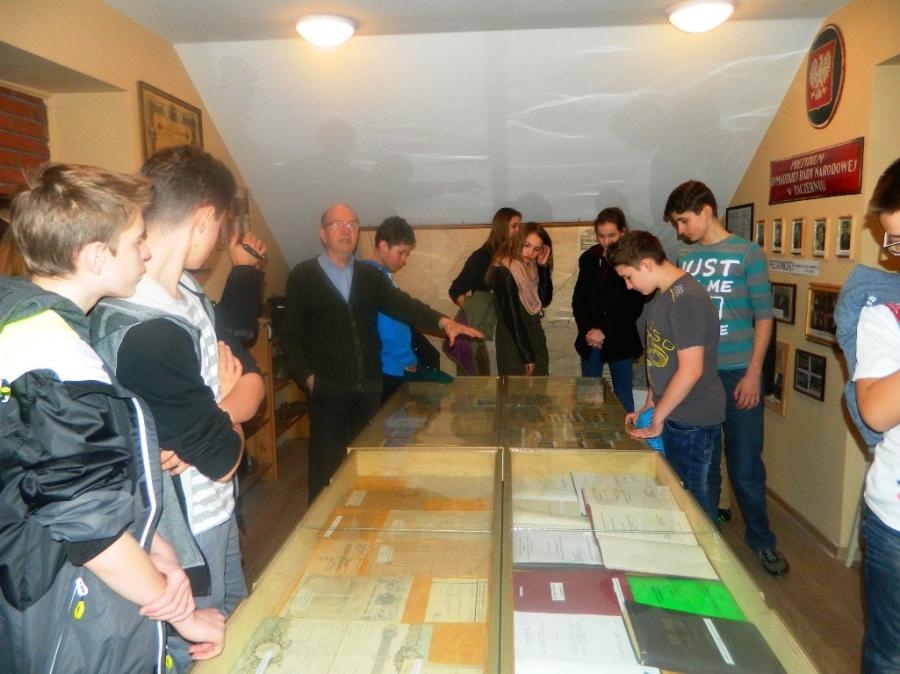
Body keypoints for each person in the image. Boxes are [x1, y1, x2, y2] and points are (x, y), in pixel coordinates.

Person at [0, 163, 224, 673]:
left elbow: (84, 479)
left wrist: (153, 545)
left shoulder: (32, 322)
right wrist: (186, 618)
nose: (146, 251)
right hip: (62, 605)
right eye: (137, 240)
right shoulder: (54, 358)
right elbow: (89, 528)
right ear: (96, 256)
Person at [91, 146, 263, 673]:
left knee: (238, 631)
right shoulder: (142, 327)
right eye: (219, 225)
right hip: (180, 536)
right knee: (197, 654)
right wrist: (221, 416)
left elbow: (253, 382)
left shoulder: (190, 291)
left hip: (219, 511)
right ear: (204, 219)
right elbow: (225, 458)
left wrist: (217, 411)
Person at [281, 203, 482, 501]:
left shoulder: (370, 276)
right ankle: (321, 526)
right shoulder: (302, 276)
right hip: (328, 393)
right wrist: (309, 379)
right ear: (322, 234)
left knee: (366, 467)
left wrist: (444, 322)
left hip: (368, 392)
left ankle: (362, 521)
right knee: (326, 473)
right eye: (337, 224)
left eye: (352, 224)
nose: (346, 230)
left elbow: (404, 306)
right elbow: (290, 338)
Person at [667, 179, 788, 576]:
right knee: (703, 460)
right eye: (676, 223)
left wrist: (754, 373)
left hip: (739, 374)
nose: (680, 230)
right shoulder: (685, 256)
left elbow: (764, 317)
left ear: (706, 211)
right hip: (699, 375)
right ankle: (708, 535)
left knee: (745, 464)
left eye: (684, 221)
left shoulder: (748, 253)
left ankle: (762, 540)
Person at [607, 230, 725, 522]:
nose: (628, 285)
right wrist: (649, 404)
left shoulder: (687, 300)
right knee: (679, 495)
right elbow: (661, 359)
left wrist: (658, 417)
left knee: (692, 502)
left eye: (629, 277)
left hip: (691, 418)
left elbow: (691, 369)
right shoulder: (664, 296)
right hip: (674, 412)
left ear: (646, 264)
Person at [836, 158, 900, 673]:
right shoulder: (883, 314)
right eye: (892, 240)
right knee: (888, 655)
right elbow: (875, 411)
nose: (888, 253)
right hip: (894, 523)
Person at [572, 207, 644, 411]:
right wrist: (589, 331)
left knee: (623, 395)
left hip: (619, 337)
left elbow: (633, 307)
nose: (606, 241)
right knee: (589, 396)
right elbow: (579, 300)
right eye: (601, 236)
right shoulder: (589, 258)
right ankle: (590, 431)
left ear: (623, 232)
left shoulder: (633, 260)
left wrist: (604, 330)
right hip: (591, 339)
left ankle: (626, 431)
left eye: (611, 235)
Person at [447, 207, 522, 374]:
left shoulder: (515, 255)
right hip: (481, 330)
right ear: (502, 227)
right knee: (477, 379)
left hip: (504, 330)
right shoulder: (482, 256)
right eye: (514, 226)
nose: (518, 230)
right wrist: (474, 310)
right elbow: (455, 290)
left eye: (520, 226)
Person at [361, 216, 420, 403]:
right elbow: (390, 329)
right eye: (401, 253)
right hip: (388, 367)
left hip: (381, 365)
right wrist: (408, 358)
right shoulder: (376, 279)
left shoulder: (369, 274)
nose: (404, 260)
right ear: (384, 246)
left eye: (406, 255)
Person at [487, 222, 553, 376]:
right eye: (526, 245)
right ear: (517, 241)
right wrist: (527, 356)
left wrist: (543, 267)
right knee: (516, 389)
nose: (530, 253)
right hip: (514, 343)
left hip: (534, 337)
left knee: (539, 387)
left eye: (536, 249)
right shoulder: (503, 270)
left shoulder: (532, 267)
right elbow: (513, 318)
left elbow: (545, 300)